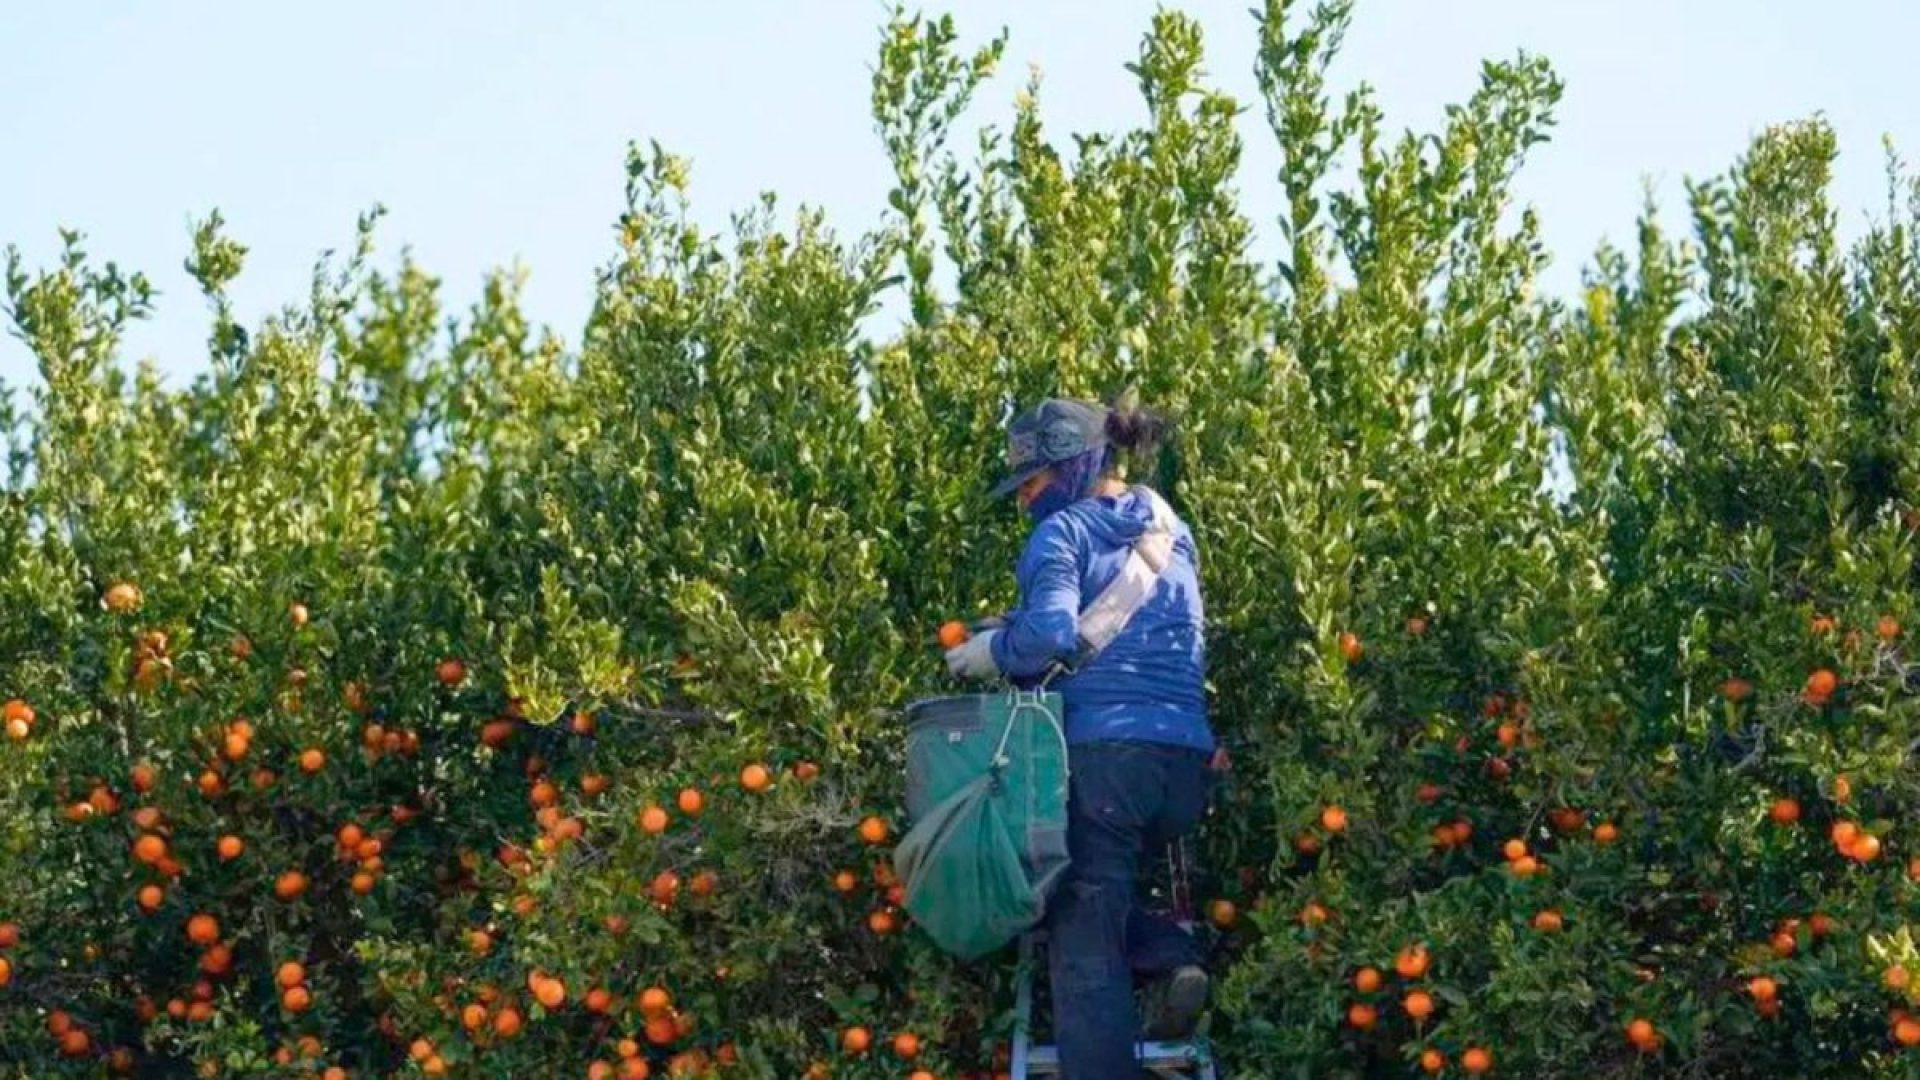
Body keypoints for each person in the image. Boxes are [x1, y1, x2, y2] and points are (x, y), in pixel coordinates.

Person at [943, 397, 1216, 1078]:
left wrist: (991, 650)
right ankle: (1170, 955)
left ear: (1070, 466)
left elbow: (1054, 638)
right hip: (1185, 769)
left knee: (1078, 936)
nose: (1025, 500)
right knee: (1098, 893)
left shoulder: (1061, 532)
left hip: (1102, 763)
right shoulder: (1170, 530)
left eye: (1031, 482)